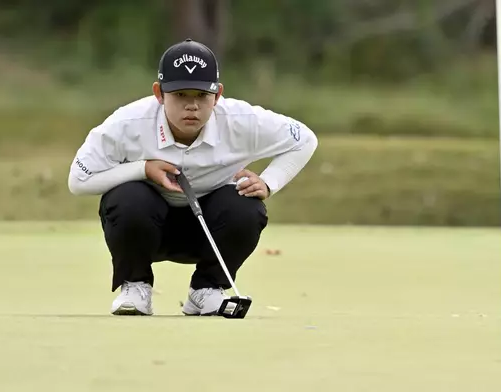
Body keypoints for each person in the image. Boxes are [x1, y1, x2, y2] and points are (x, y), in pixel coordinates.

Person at [67, 38, 318, 316]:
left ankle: (207, 290)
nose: (192, 106)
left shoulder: (243, 120)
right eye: (180, 95)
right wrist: (143, 169)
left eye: (201, 95)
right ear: (159, 93)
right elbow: (78, 180)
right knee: (127, 197)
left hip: (211, 231)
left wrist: (270, 181)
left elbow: (304, 139)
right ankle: (135, 286)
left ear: (218, 95)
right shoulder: (126, 124)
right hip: (147, 227)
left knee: (246, 205)